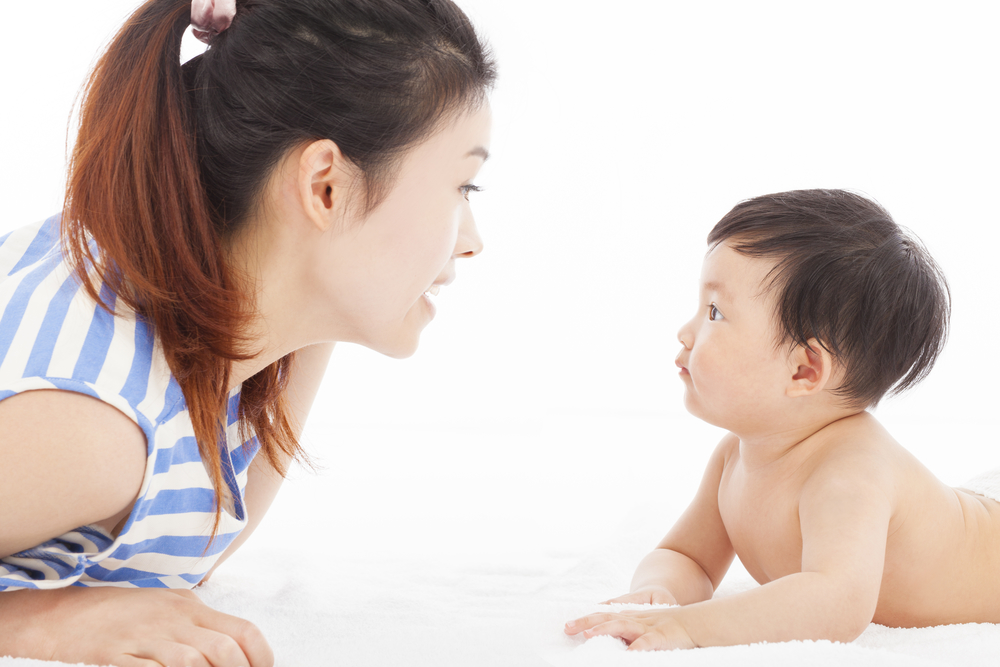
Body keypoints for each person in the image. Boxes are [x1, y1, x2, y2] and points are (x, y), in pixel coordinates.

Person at [0, 0, 495, 664]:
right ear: (325, 186)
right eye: (464, 186)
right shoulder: (94, 426)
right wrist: (37, 621)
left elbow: (200, 541)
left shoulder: (226, 332)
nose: (473, 242)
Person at [565, 189, 1000, 651]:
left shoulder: (851, 471)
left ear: (804, 370)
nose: (686, 331)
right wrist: (661, 593)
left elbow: (837, 601)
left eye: (714, 312)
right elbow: (686, 556)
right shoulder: (735, 456)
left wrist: (692, 628)